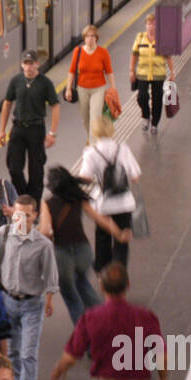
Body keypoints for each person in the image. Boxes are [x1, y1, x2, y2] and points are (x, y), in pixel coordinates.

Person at [0, 195, 59, 380]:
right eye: (18, 215)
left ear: (34, 216)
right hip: (7, 302)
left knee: (28, 354)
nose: (21, 220)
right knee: (11, 352)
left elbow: (51, 277)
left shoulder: (43, 245)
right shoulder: (3, 234)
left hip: (32, 305)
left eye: (26, 216)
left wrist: (49, 300)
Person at [39, 165, 129, 327]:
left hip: (62, 254)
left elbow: (45, 230)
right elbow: (101, 219)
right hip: (84, 251)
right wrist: (119, 234)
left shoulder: (47, 203)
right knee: (83, 284)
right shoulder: (78, 198)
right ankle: (107, 322)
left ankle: (87, 340)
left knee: (72, 298)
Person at [78, 117, 142, 272]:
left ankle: (103, 274)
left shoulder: (91, 152)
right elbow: (135, 176)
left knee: (102, 240)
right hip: (125, 203)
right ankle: (120, 276)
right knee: (122, 242)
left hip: (103, 204)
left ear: (95, 131)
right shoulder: (123, 148)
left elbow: (85, 177)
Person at [0, 50, 60, 201]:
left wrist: (52, 133)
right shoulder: (15, 81)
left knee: (36, 171)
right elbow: (7, 104)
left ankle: (34, 206)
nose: (28, 67)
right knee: (14, 168)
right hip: (18, 128)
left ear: (37, 64)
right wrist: (2, 130)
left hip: (36, 129)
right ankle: (22, 198)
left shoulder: (45, 83)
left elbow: (55, 106)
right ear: (21, 65)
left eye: (31, 63)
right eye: (26, 63)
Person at [66, 25, 116, 144]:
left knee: (95, 117)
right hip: (82, 89)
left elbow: (109, 72)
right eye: (87, 36)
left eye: (92, 36)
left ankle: (93, 147)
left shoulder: (103, 52)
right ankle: (91, 137)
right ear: (84, 38)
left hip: (98, 89)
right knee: (85, 119)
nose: (90, 39)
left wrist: (113, 88)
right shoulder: (77, 51)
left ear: (96, 38)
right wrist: (68, 88)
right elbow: (72, 71)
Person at [130, 14, 173, 134]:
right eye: (149, 24)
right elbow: (134, 54)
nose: (151, 26)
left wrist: (172, 73)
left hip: (158, 74)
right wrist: (131, 70)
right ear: (145, 25)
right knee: (142, 97)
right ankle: (146, 115)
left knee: (157, 99)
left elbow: (168, 57)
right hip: (142, 73)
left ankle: (155, 123)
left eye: (153, 24)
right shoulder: (140, 37)